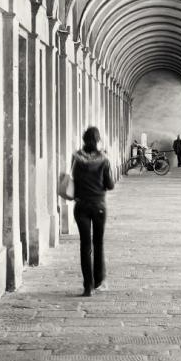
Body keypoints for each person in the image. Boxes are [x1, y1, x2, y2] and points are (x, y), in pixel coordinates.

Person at [71, 126, 114, 297]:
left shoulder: (76, 158)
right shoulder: (103, 159)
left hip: (81, 205)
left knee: (85, 246)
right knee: (98, 244)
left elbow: (74, 178)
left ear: (83, 140)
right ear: (98, 140)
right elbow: (110, 185)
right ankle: (99, 281)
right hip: (98, 206)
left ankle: (88, 286)